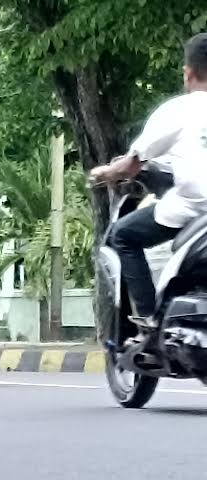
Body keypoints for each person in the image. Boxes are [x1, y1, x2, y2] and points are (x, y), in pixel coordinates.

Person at [91, 33, 207, 326]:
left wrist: (105, 173)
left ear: (188, 73)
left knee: (122, 235)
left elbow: (132, 164)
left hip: (195, 208)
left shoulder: (180, 109)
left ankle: (148, 320)